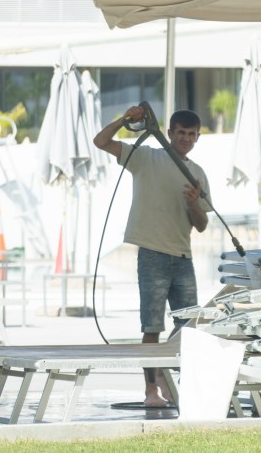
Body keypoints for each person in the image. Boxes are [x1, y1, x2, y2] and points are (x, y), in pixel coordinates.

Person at [94, 105, 211, 408]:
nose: (186, 138)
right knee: (152, 327)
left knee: (190, 327)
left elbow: (201, 225)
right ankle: (151, 391)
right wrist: (124, 120)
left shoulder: (196, 173)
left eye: (192, 134)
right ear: (169, 133)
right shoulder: (147, 156)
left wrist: (195, 204)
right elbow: (101, 142)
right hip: (152, 254)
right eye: (181, 133)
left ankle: (171, 381)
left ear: (198, 138)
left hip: (183, 256)